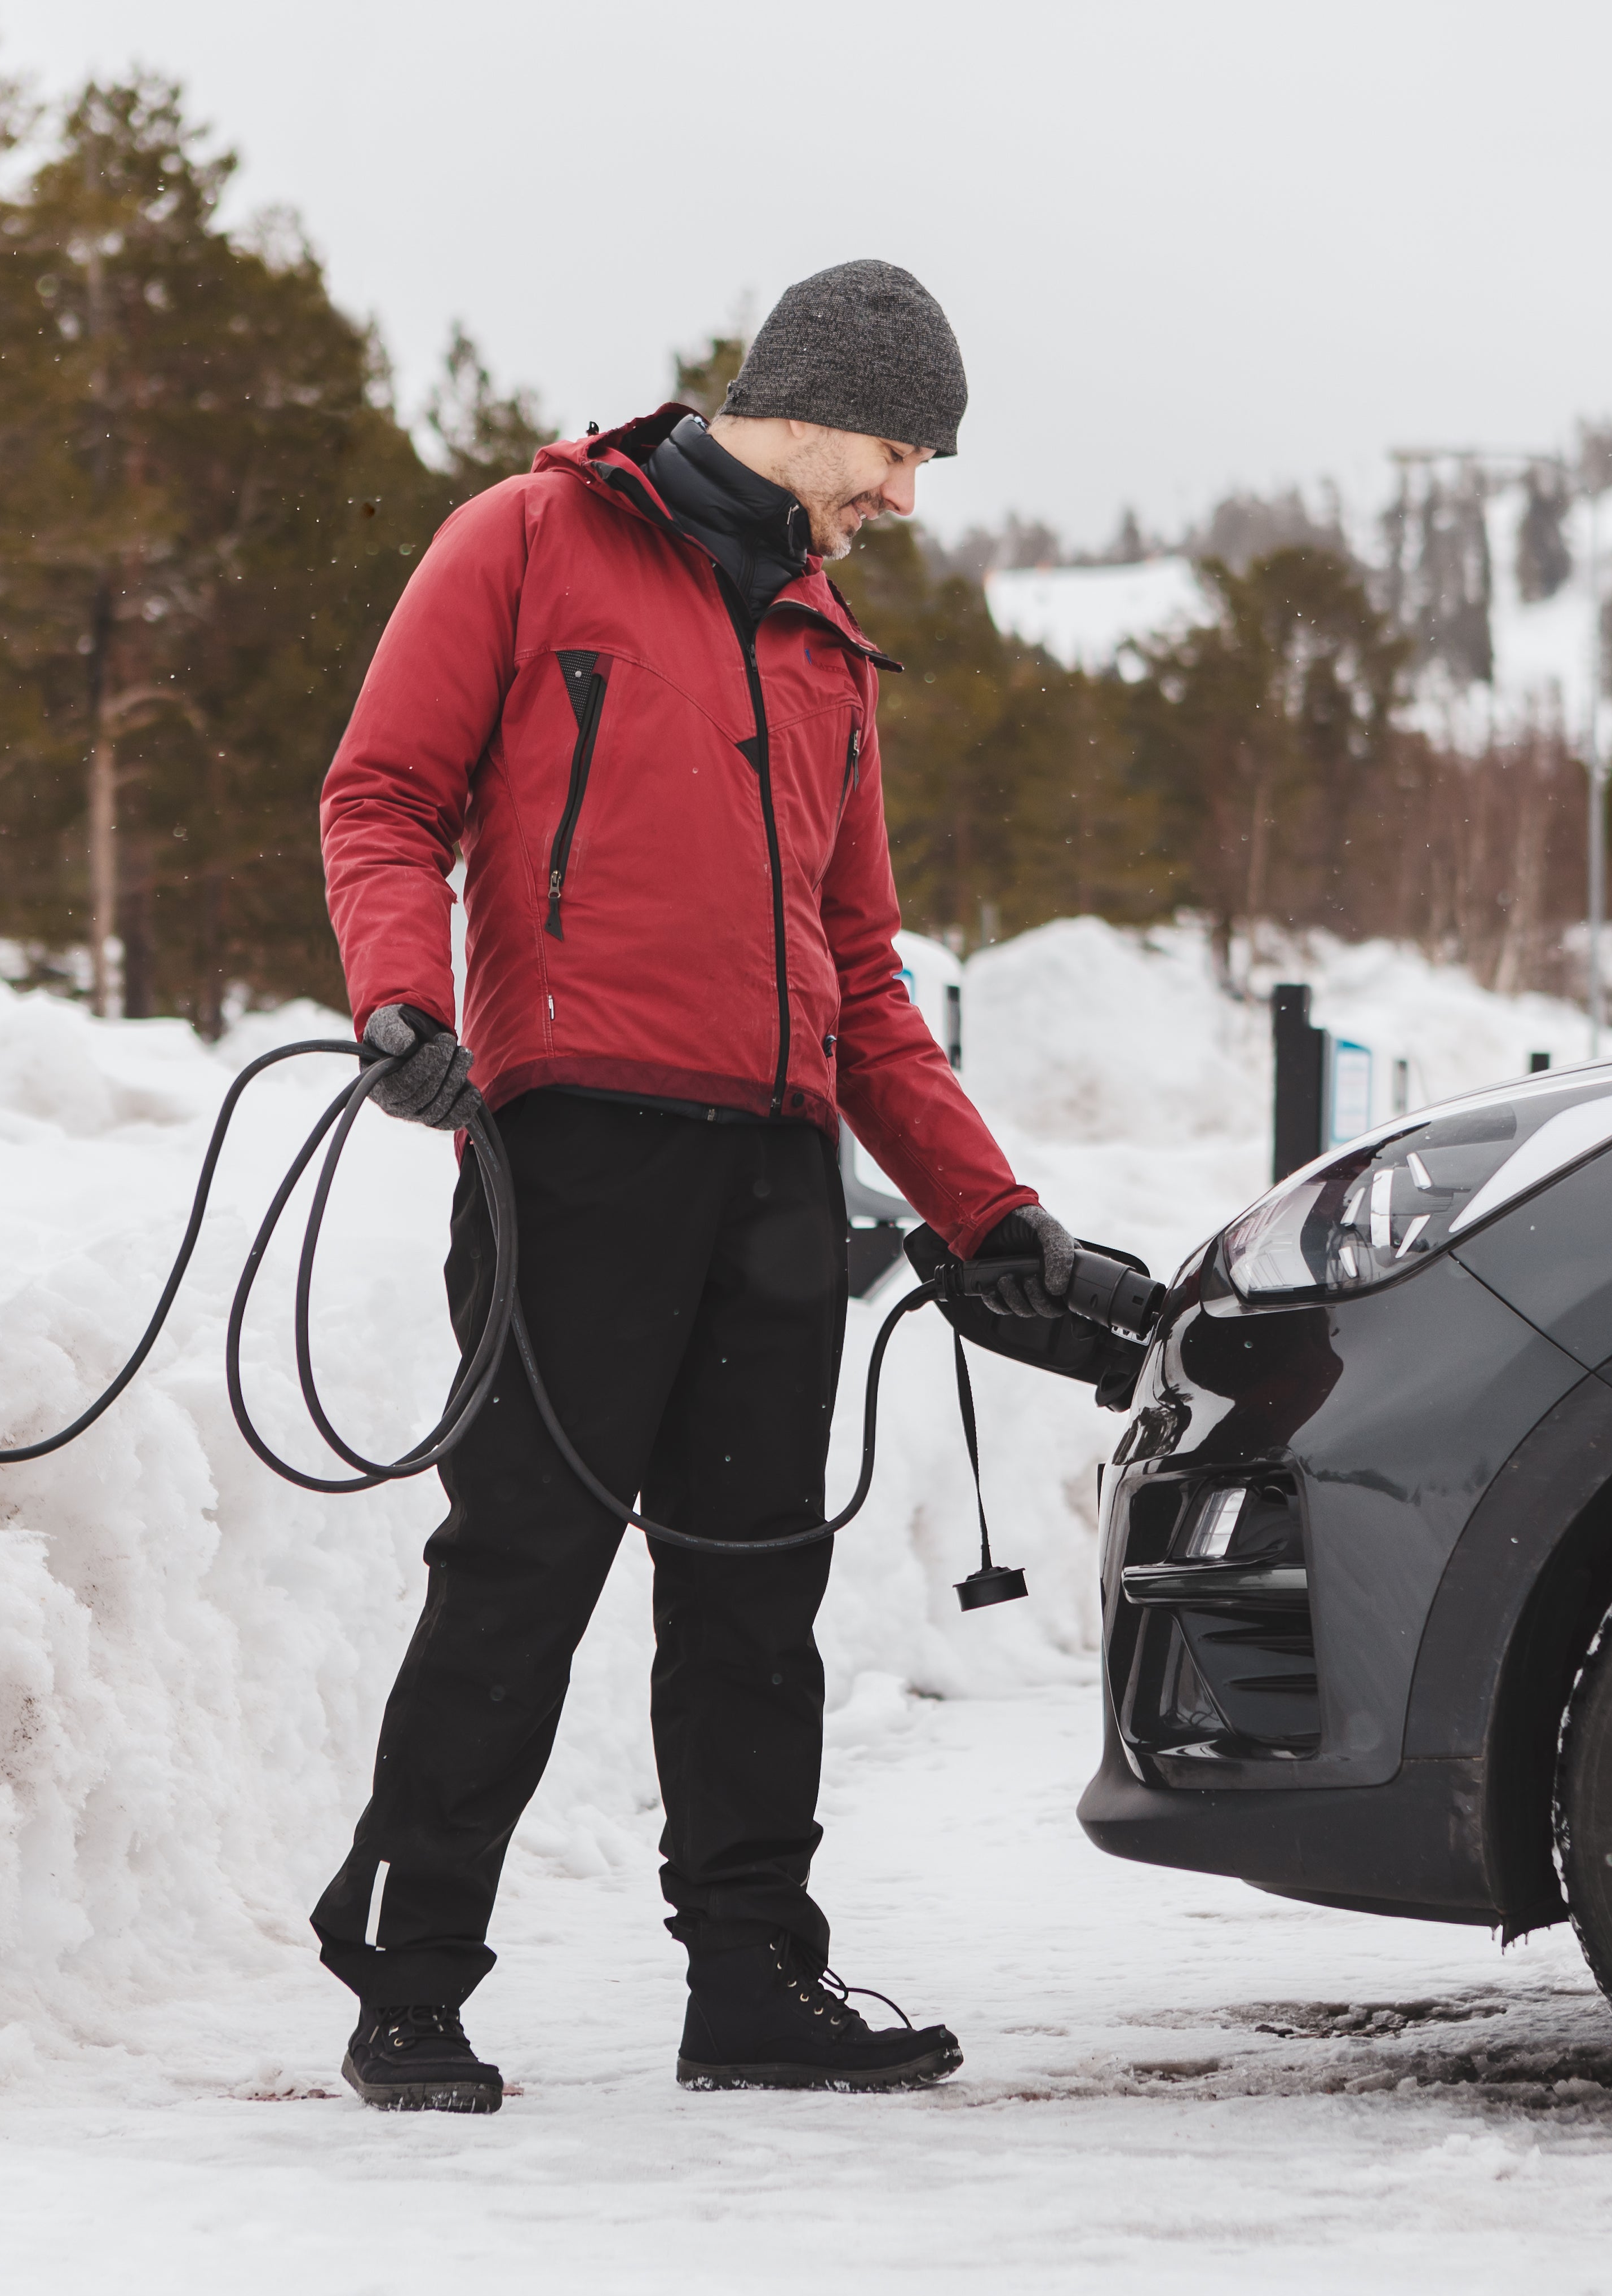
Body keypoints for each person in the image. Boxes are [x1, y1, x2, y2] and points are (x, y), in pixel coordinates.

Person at [311, 260, 1077, 2114]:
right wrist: (402, 1001)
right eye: (897, 451)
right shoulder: (525, 540)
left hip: (772, 1175)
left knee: (754, 1593)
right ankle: (407, 1983)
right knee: (521, 1572)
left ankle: (752, 1981)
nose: (904, 498)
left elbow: (866, 974)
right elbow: (382, 796)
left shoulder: (822, 646)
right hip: (567, 1146)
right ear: (805, 402)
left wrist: (990, 1213)